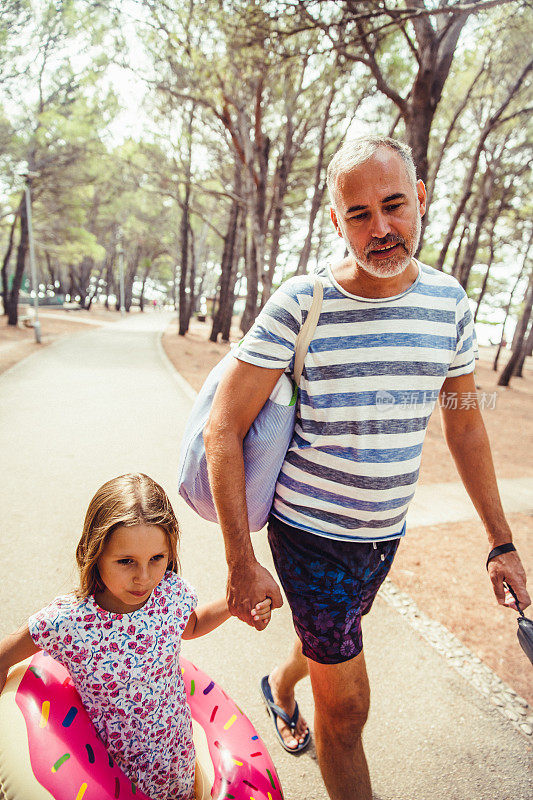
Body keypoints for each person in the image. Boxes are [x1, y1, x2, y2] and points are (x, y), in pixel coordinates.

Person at [203, 136, 530, 800]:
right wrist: (240, 560)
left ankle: (281, 683)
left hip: (381, 539)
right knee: (348, 712)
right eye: (358, 214)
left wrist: (500, 540)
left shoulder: (449, 304)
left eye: (393, 205)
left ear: (420, 201)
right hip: (306, 537)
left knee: (332, 640)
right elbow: (222, 429)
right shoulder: (300, 303)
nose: (379, 228)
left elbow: (463, 419)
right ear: (334, 220)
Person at [0, 473, 271, 800]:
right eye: (126, 561)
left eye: (156, 559)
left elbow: (193, 625)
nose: (143, 577)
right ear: (94, 551)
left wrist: (233, 606)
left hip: (177, 756)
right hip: (116, 774)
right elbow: (7, 653)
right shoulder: (69, 622)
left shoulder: (168, 594)